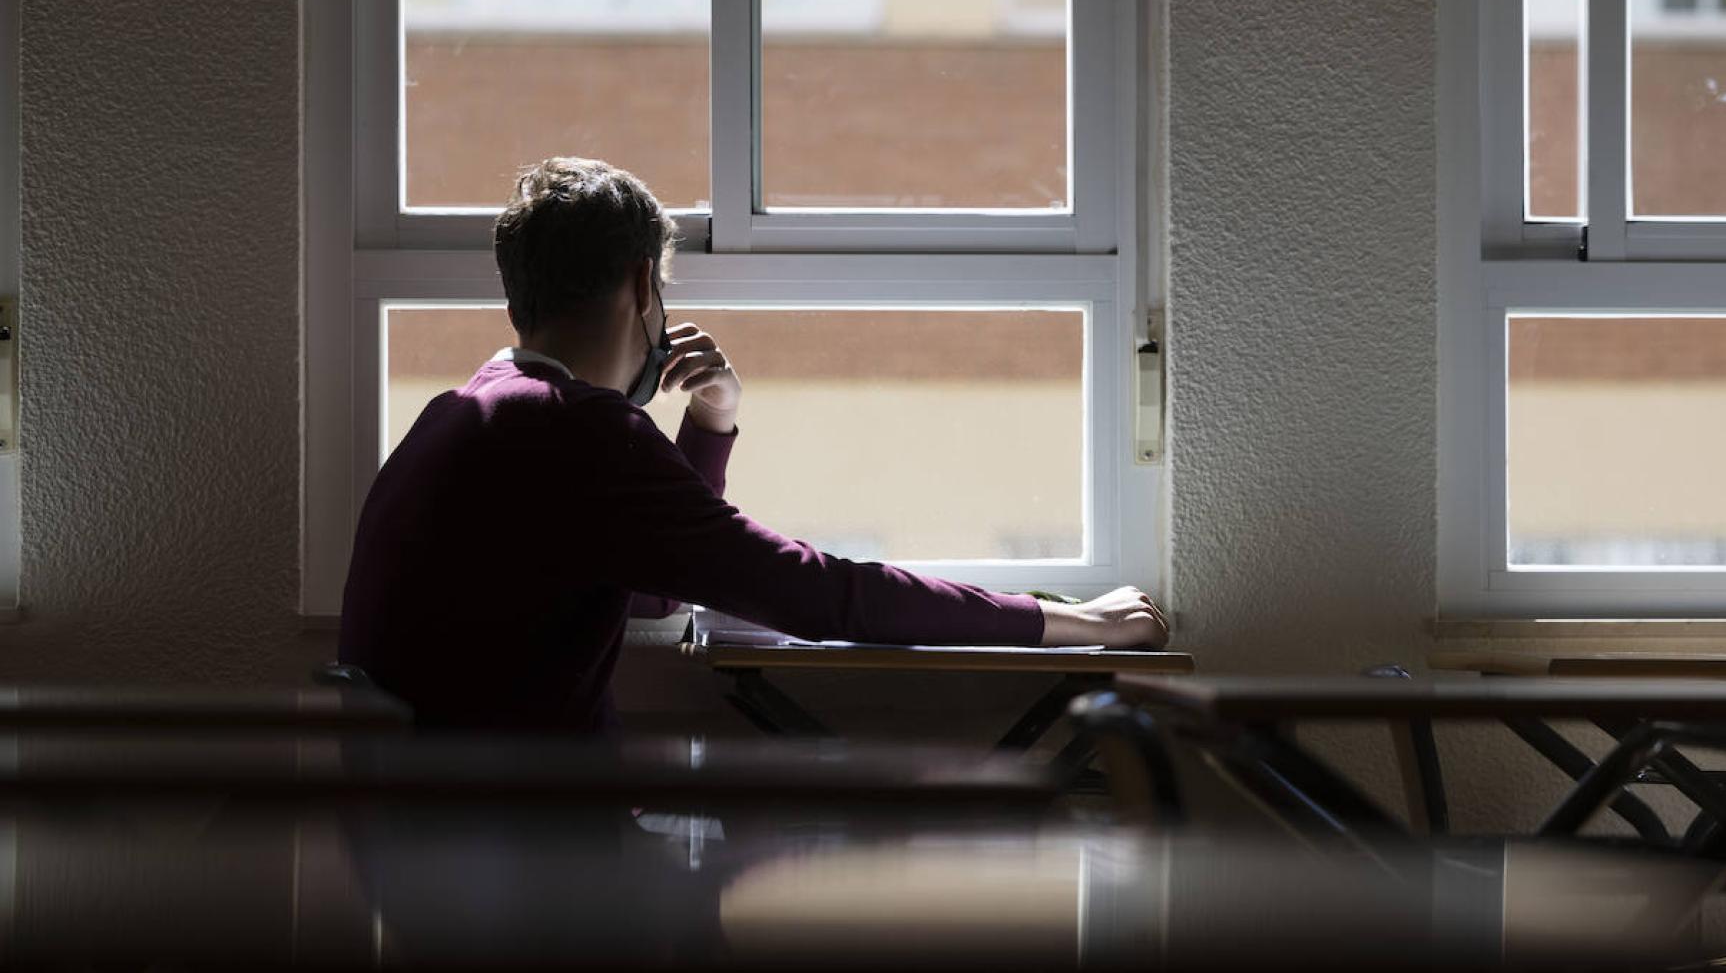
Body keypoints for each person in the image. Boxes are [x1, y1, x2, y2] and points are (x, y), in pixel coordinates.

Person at [338, 157, 1167, 731]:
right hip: (537, 866)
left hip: (430, 847)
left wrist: (710, 424)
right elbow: (811, 595)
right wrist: (1068, 621)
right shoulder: (574, 428)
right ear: (641, 287)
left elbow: (649, 592)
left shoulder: (473, 408)